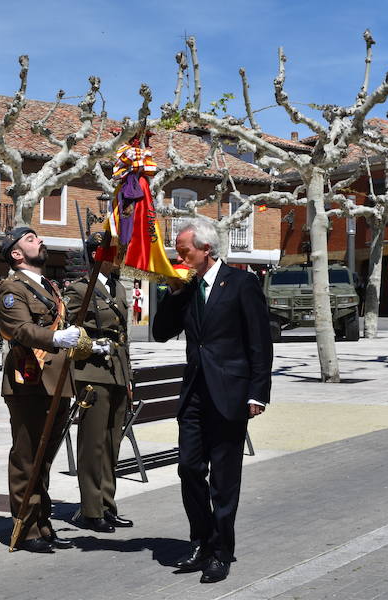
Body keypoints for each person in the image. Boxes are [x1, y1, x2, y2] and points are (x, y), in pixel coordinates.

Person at [152, 219, 272, 584]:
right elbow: (160, 334)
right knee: (189, 468)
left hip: (230, 394)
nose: (178, 256)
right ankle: (201, 541)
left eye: (184, 250)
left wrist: (257, 392)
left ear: (206, 249)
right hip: (194, 394)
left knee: (224, 479)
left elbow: (259, 342)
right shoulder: (185, 287)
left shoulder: (242, 283)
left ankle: (221, 550)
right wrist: (173, 293)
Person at [0, 227, 81, 554]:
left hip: (57, 382)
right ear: (16, 254)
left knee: (44, 459)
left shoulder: (49, 286)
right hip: (28, 380)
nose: (40, 241)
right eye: (30, 240)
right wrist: (55, 338)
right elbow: (19, 328)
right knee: (27, 457)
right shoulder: (11, 287)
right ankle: (26, 528)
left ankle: (43, 523)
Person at [64, 232, 134, 533]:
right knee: (92, 445)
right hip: (92, 373)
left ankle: (107, 504)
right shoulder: (81, 290)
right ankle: (90, 509)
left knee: (111, 443)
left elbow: (124, 337)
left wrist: (128, 376)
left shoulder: (117, 288)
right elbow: (68, 330)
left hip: (116, 372)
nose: (118, 256)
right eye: (113, 251)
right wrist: (91, 345)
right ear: (97, 255)